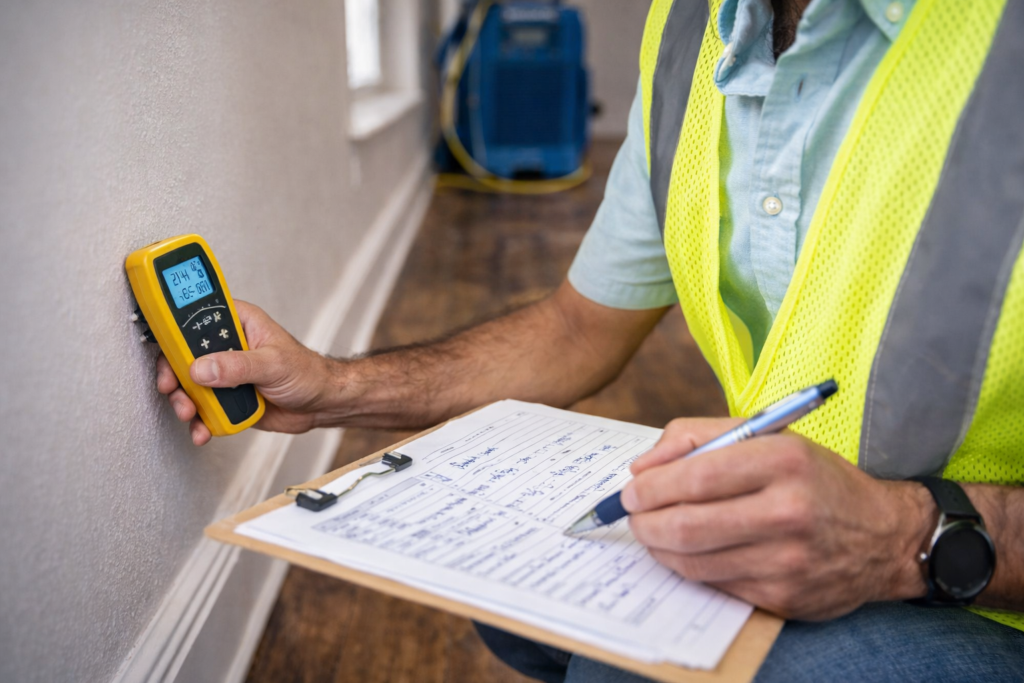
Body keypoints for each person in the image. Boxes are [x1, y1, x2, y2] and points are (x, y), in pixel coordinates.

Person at [157, 0, 1024, 680]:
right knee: (509, 596)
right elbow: (578, 328)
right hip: (794, 530)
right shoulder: (692, 29)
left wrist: (900, 533)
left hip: (980, 581)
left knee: (624, 665)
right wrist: (329, 385)